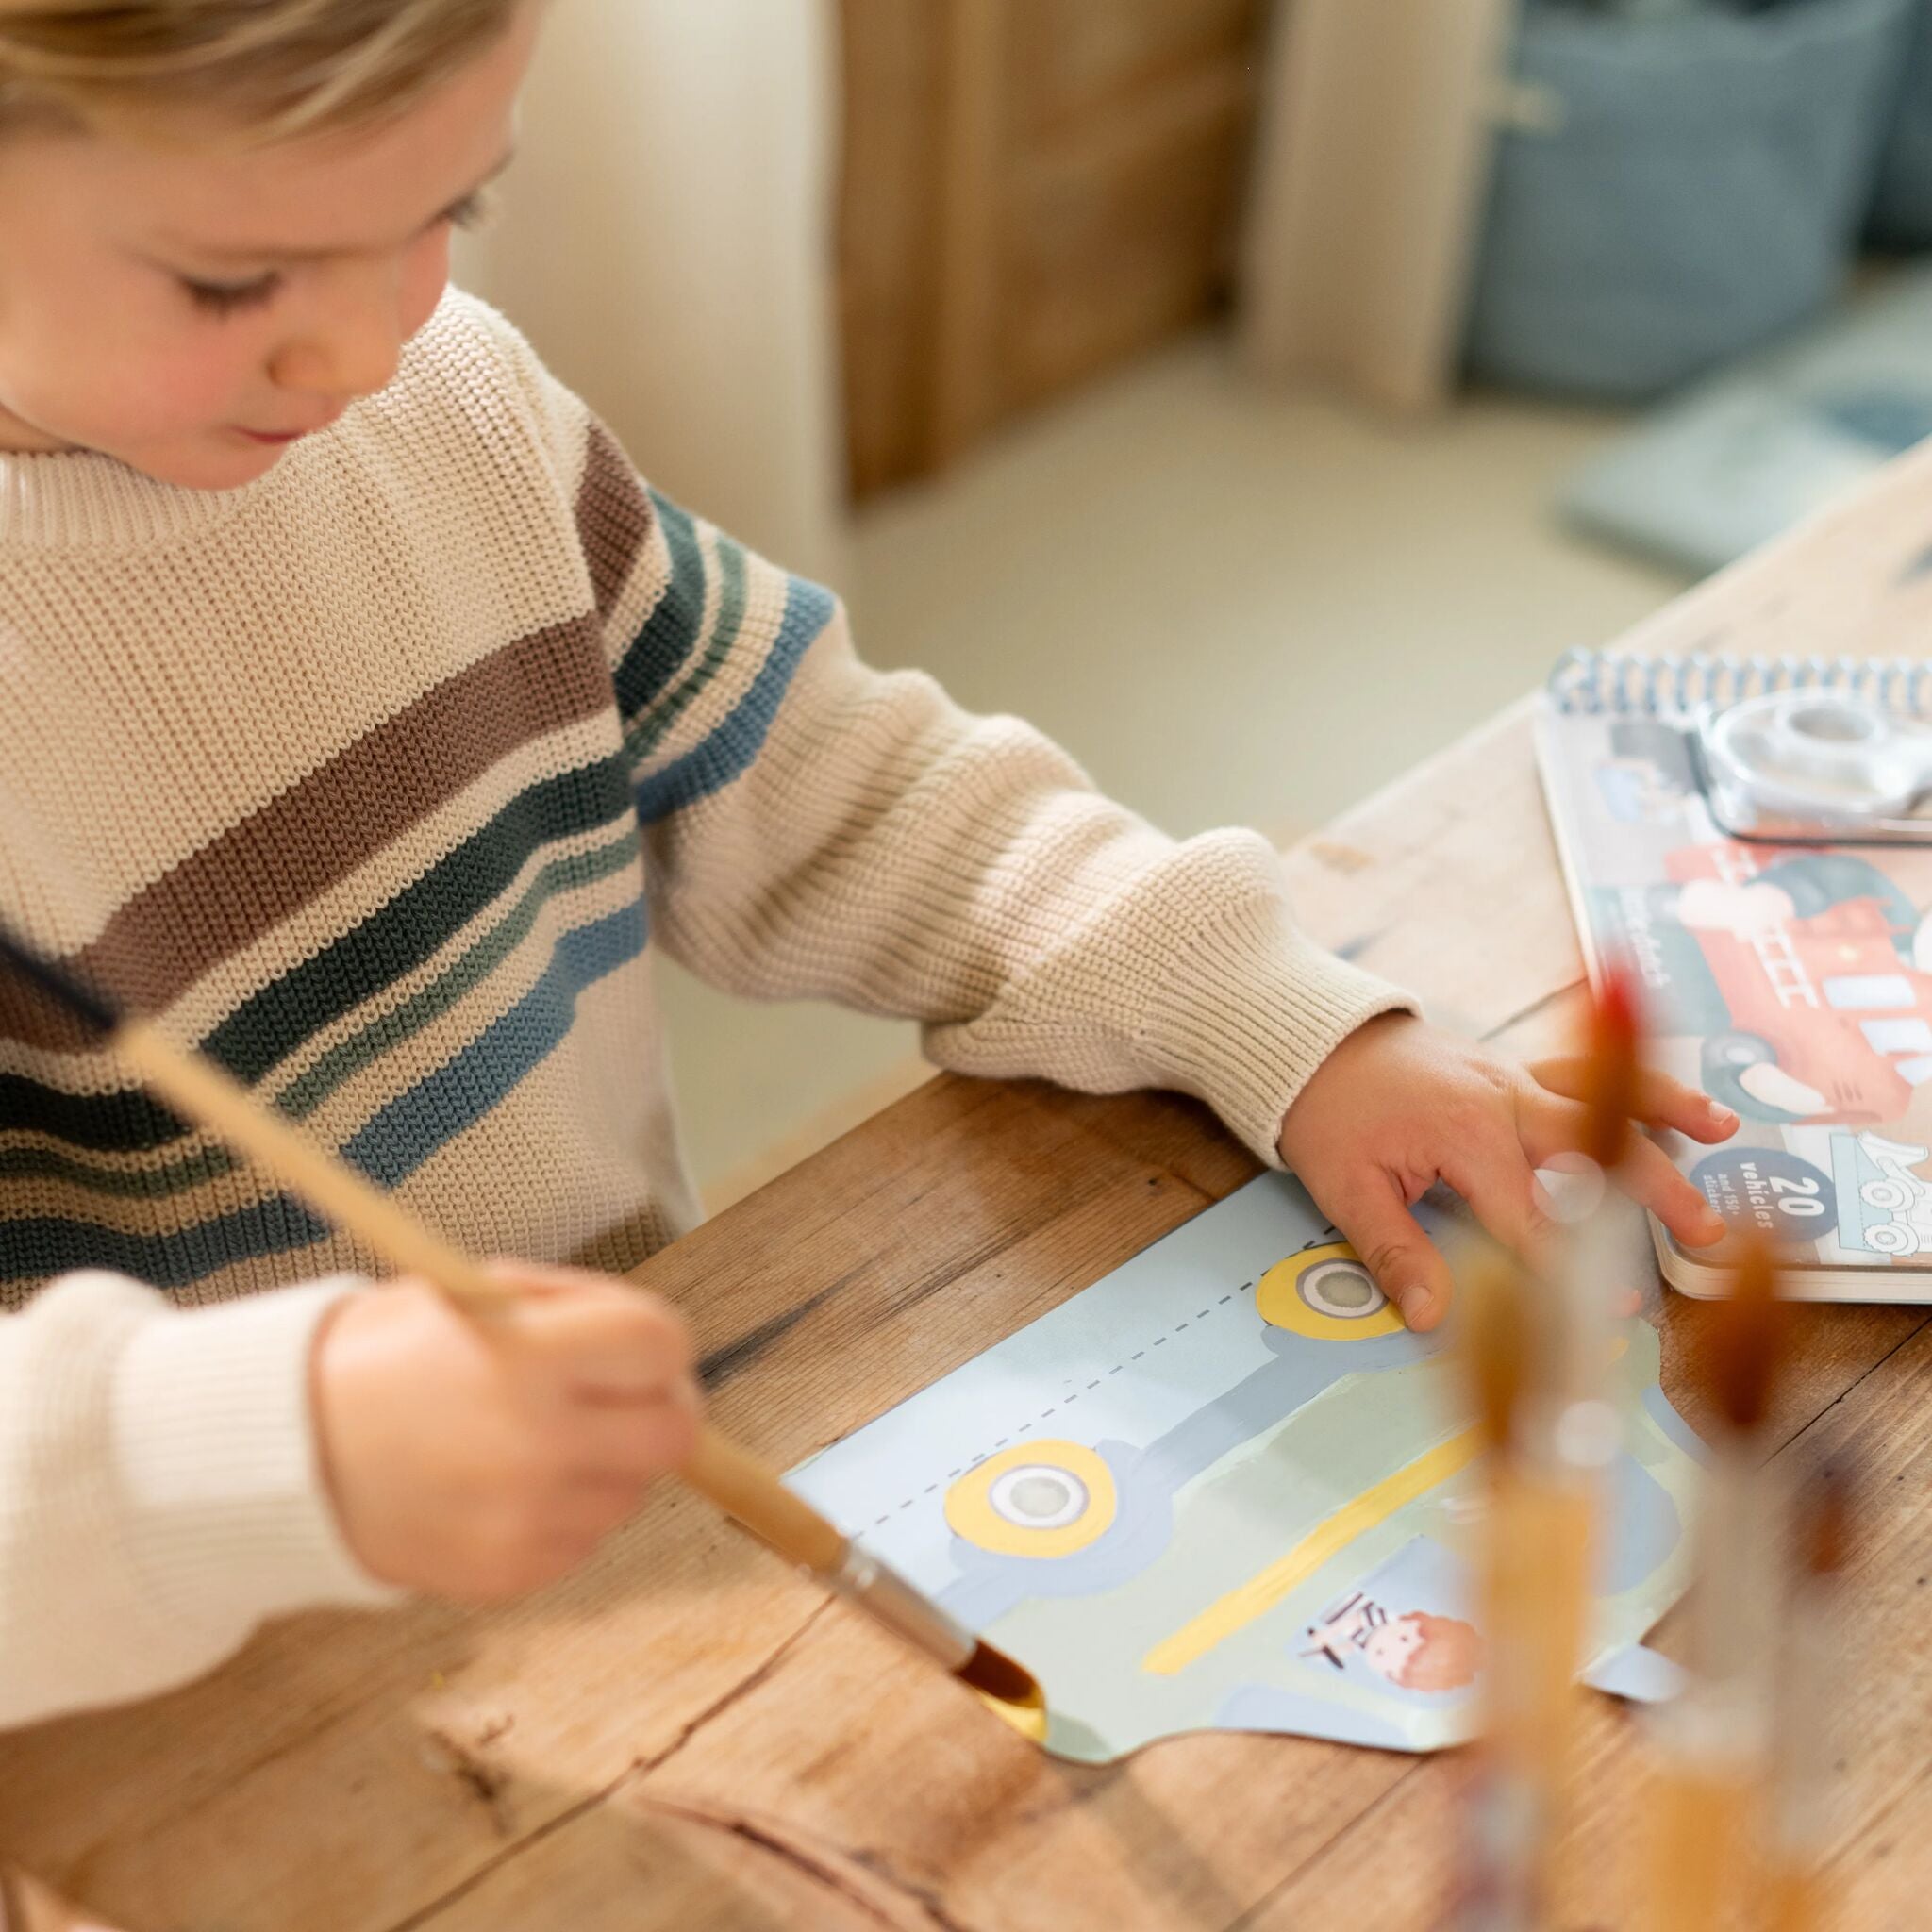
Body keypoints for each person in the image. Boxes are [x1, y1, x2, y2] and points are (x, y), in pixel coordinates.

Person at [0, 0, 1738, 1743]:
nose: (369, 348)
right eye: (236, 286)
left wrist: (1273, 1015)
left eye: (447, 215)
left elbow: (838, 786)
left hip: (621, 1499)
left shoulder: (459, 416)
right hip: (159, 1698)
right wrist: (262, 1454)